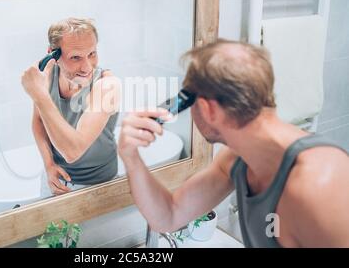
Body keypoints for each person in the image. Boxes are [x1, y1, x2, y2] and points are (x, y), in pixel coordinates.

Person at [117, 39, 349, 248]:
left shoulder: (321, 182)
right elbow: (168, 216)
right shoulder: (236, 160)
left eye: (190, 104)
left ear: (208, 109)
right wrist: (131, 158)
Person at [22, 18, 120, 197]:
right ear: (53, 55)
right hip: (57, 178)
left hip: (100, 183)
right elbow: (38, 121)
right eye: (75, 57)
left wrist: (39, 94)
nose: (87, 67)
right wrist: (49, 165)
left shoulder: (108, 85)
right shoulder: (48, 74)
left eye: (92, 54)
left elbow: (72, 152)